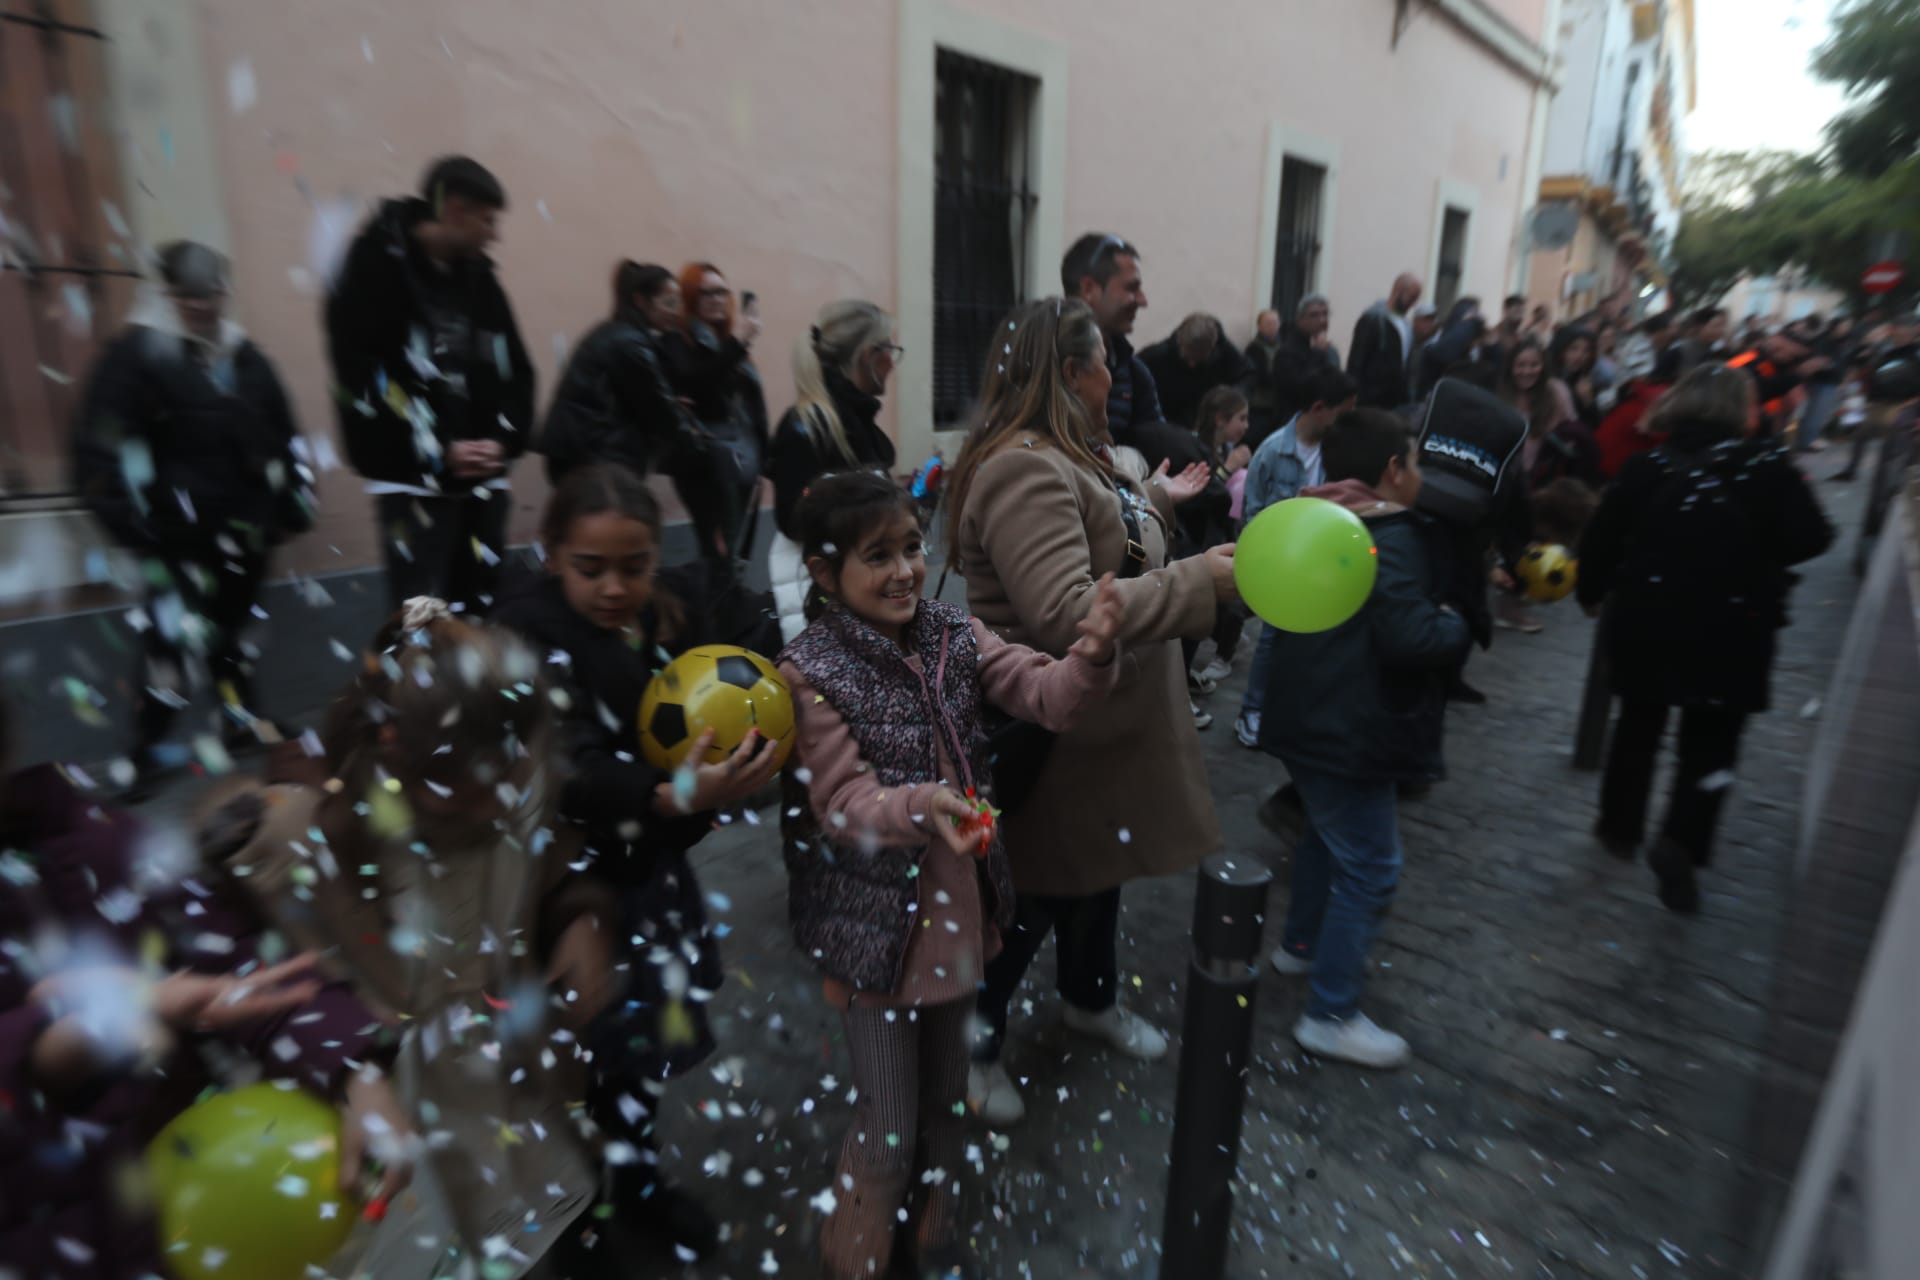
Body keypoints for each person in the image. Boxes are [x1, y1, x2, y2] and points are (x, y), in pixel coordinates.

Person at [204, 601, 626, 1279]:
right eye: (466, 791)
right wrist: (243, 844)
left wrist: (582, 917)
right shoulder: (338, 832)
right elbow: (276, 958)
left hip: (513, 1078)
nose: (495, 806)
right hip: (394, 1094)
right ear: (396, 748)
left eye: (507, 781)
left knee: (535, 1223)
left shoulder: (518, 769)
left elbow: (556, 863)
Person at [778, 471, 1123, 1280]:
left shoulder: (952, 633)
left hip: (962, 913)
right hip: (874, 938)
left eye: (910, 548)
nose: (903, 570)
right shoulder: (809, 670)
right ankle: (858, 1256)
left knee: (945, 1103)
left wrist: (1093, 655)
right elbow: (840, 801)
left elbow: (1043, 693)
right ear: (826, 573)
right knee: (888, 1123)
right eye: (877, 556)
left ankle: (926, 1239)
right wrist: (920, 804)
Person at [945, 297, 1234, 1125]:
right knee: (1034, 893)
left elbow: (1112, 534)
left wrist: (1162, 501)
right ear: (1072, 374)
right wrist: (1202, 583)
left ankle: (1089, 998)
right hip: (1054, 728)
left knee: (1099, 874)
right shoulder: (1020, 467)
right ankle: (974, 1049)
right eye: (1105, 360)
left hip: (1105, 730)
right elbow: (1068, 610)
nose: (1118, 374)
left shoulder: (1075, 451)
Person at [0, 695, 407, 1280]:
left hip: (178, 1233)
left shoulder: (89, 843)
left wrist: (357, 1072)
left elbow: (244, 965)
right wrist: (49, 1045)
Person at [490, 463, 780, 1259]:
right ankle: (580, 1214)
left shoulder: (666, 612)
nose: (615, 587)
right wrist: (671, 794)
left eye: (634, 565)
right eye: (591, 569)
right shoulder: (524, 636)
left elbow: (740, 640)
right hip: (564, 893)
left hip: (644, 874)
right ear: (550, 555)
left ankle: (636, 1189)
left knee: (639, 1055)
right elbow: (568, 768)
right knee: (576, 1065)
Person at [1577, 364, 1834, 912]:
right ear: (1738, 408)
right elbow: (1813, 536)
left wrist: (1591, 590)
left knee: (1638, 727)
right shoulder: (1765, 467)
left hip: (1651, 615)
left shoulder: (1647, 466)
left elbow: (1603, 536)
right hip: (1732, 625)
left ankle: (1621, 826)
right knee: (1712, 743)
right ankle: (1683, 841)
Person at [1258, 409, 1471, 1067]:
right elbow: (1409, 638)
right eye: (1416, 462)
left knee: (1325, 833)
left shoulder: (1310, 516)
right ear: (1392, 471)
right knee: (1373, 866)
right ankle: (1332, 1012)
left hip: (1303, 716)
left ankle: (1300, 947)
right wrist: (1454, 623)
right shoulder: (1393, 533)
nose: (1420, 475)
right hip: (1353, 724)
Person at [72, 241, 316, 798]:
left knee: (234, 639)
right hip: (173, 539)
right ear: (168, 295)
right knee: (168, 648)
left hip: (244, 533)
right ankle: (147, 749)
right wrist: (139, 529)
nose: (203, 307)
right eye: (189, 296)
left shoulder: (245, 359)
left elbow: (283, 435)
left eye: (211, 295)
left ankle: (239, 724)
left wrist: (292, 505)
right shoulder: (133, 359)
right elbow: (99, 452)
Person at [325, 156, 535, 615]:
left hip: (482, 485)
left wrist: (502, 441)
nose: (494, 234)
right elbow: (363, 381)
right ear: (455, 211)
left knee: (481, 613)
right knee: (421, 621)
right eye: (487, 220)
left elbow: (516, 370)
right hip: (412, 490)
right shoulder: (372, 270)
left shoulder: (481, 279)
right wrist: (436, 450)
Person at [1233, 366, 1358, 748]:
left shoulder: (1337, 449)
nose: (1348, 421)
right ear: (1320, 408)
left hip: (1321, 561)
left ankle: (1294, 711)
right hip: (1284, 564)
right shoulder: (1273, 451)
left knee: (1316, 641)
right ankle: (1251, 711)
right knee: (1273, 638)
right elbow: (1253, 514)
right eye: (1344, 413)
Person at [766, 300, 900, 642]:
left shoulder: (851, 420)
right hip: (828, 601)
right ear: (869, 355)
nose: (893, 363)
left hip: (856, 590)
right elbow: (795, 517)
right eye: (891, 350)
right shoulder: (814, 425)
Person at [540, 261, 702, 488]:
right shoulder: (630, 343)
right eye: (669, 303)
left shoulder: (617, 333)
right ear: (641, 301)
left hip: (584, 455)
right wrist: (696, 443)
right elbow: (656, 406)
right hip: (597, 459)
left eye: (678, 302)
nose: (677, 311)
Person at [661, 261, 770, 563]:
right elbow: (698, 389)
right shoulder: (677, 339)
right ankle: (717, 607)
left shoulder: (726, 342)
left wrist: (765, 453)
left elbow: (748, 405)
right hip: (706, 460)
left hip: (740, 456)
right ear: (690, 298)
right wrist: (737, 342)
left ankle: (725, 604)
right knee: (720, 550)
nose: (717, 299)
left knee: (733, 548)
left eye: (722, 292)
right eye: (706, 293)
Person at [1061, 232, 1160, 447]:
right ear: (1088, 289)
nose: (1142, 301)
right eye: (1132, 288)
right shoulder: (1038, 361)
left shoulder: (1135, 375)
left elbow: (1157, 449)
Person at [1253, 293, 1344, 450]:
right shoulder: (1286, 351)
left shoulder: (1329, 350)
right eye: (1315, 315)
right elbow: (1299, 390)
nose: (1322, 320)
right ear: (1300, 319)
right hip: (1292, 429)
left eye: (1325, 314)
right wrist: (1318, 355)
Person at [1138, 312, 1252, 431]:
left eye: (1199, 358)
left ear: (1212, 348)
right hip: (1167, 427)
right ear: (1179, 340)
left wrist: (1231, 401)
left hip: (1206, 428)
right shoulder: (1154, 357)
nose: (1191, 364)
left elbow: (1246, 374)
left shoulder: (1224, 352)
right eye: (1187, 356)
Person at [1347, 273, 1423, 409]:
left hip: (1395, 402)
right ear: (1398, 290)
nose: (1414, 303)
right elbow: (1356, 361)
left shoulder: (1407, 325)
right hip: (1370, 401)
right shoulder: (1372, 319)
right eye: (1412, 297)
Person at [1550, 325, 1603, 431]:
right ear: (1562, 349)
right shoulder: (1549, 379)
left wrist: (1588, 402)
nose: (1580, 355)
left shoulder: (1586, 382)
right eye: (1573, 348)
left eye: (1586, 350)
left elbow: (1595, 425)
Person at [1244, 308, 1286, 439]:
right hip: (1260, 407)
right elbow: (1261, 377)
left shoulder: (1284, 346)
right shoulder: (1254, 349)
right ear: (1259, 326)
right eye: (1268, 323)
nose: (1272, 327)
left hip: (1278, 407)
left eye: (1275, 323)